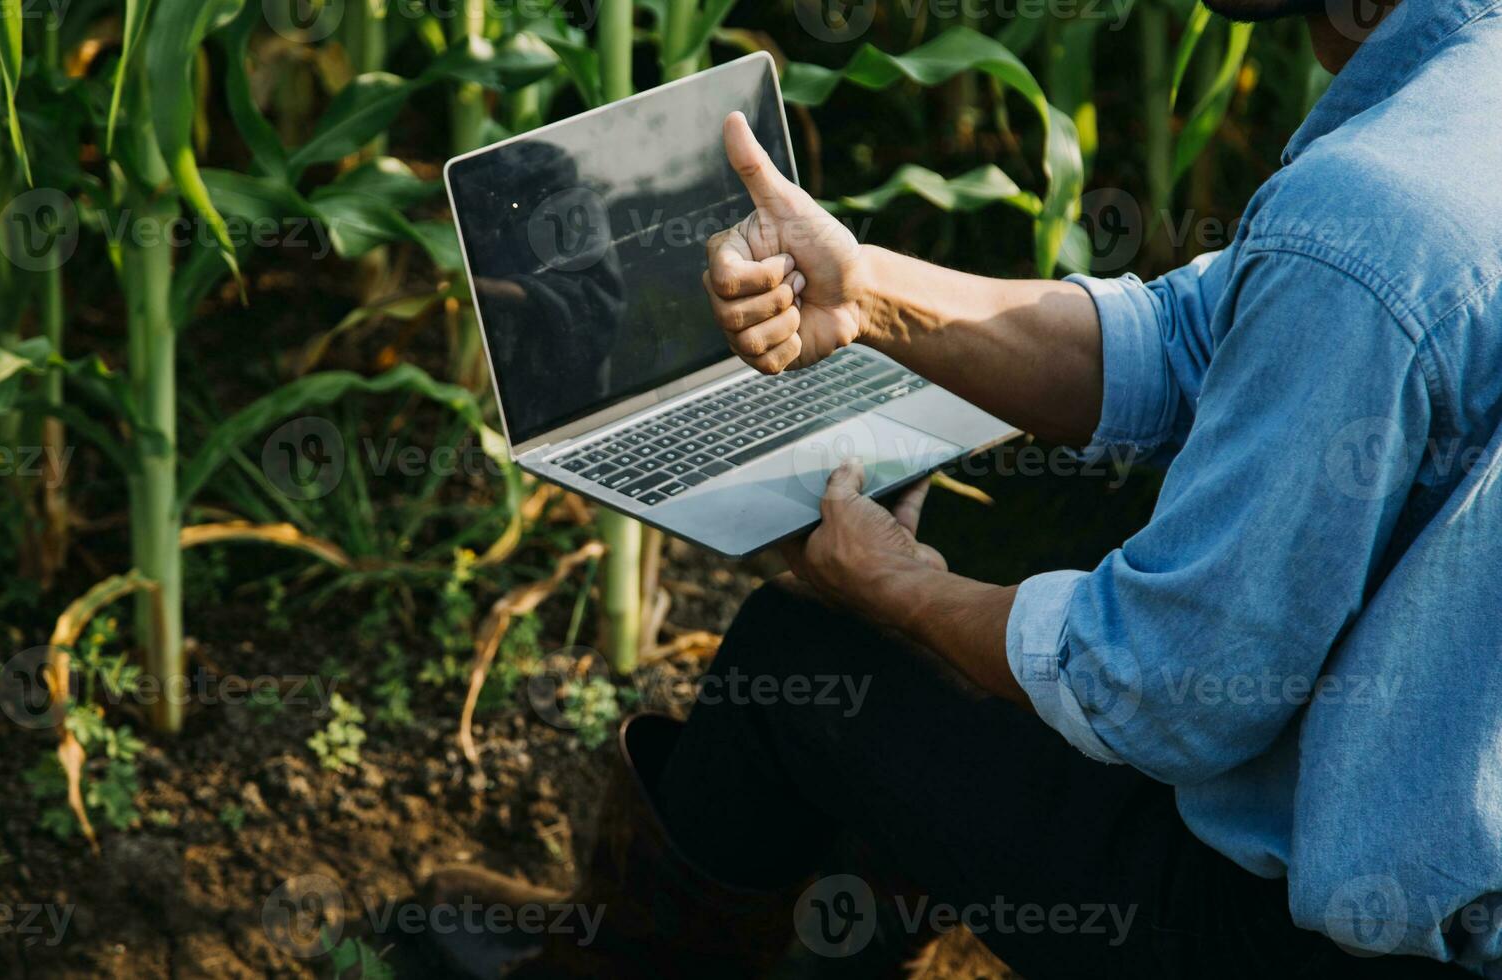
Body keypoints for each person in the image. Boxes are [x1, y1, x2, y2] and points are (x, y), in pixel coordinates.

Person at [416, 0, 1502, 975]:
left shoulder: (1366, 217)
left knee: (801, 661)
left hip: (1323, 940)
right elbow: (1183, 340)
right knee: (977, 639)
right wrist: (867, 291)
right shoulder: (1463, 106)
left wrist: (902, 593)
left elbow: (1161, 690)